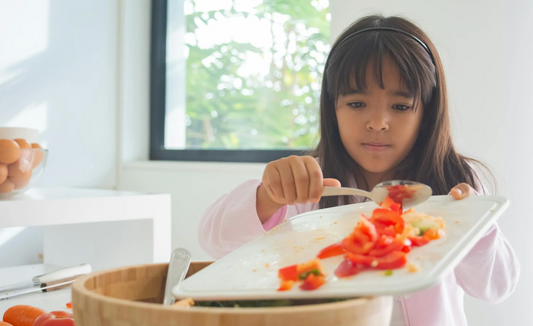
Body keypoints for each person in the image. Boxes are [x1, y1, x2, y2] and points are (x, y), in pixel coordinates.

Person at [198, 15, 520, 326]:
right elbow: (213, 240)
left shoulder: (454, 183)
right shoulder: (312, 185)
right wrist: (268, 197)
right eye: (356, 104)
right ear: (332, 107)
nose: (377, 122)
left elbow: (496, 286)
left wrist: (470, 222)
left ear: (427, 112)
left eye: (400, 106)